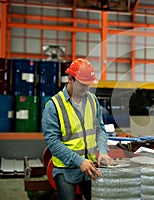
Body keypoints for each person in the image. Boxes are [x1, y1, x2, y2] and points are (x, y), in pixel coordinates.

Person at [42, 58, 113, 200]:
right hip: (65, 169)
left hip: (90, 168)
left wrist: (103, 152)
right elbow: (53, 142)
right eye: (82, 85)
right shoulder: (53, 105)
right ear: (70, 79)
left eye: (88, 85)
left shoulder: (93, 101)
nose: (86, 89)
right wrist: (78, 161)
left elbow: (100, 129)